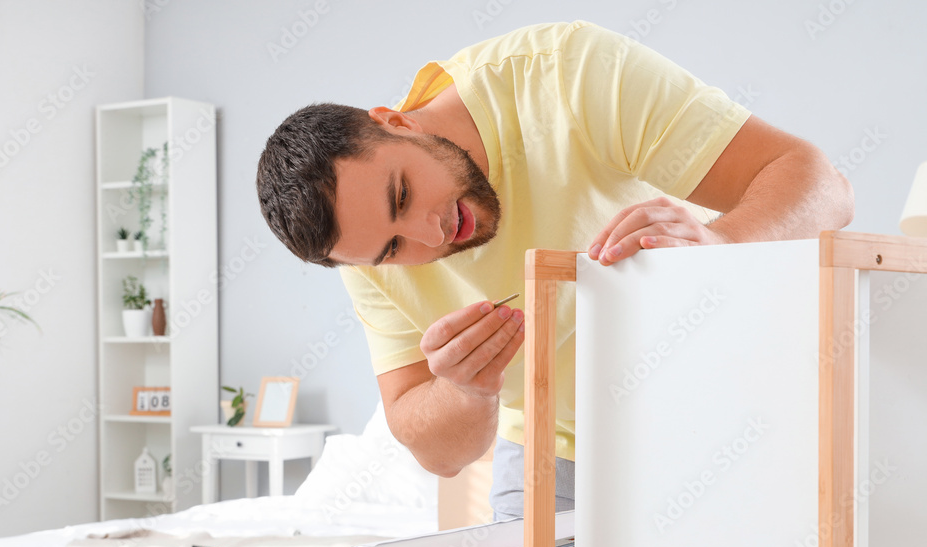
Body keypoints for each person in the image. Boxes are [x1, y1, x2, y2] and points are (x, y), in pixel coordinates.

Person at [256, 20, 853, 520]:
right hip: (555, 448)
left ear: (397, 120)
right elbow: (436, 452)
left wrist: (721, 243)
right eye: (391, 249)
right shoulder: (363, 248)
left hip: (731, 408)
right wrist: (464, 389)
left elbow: (824, 187)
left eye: (404, 195)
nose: (427, 234)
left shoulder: (565, 74)